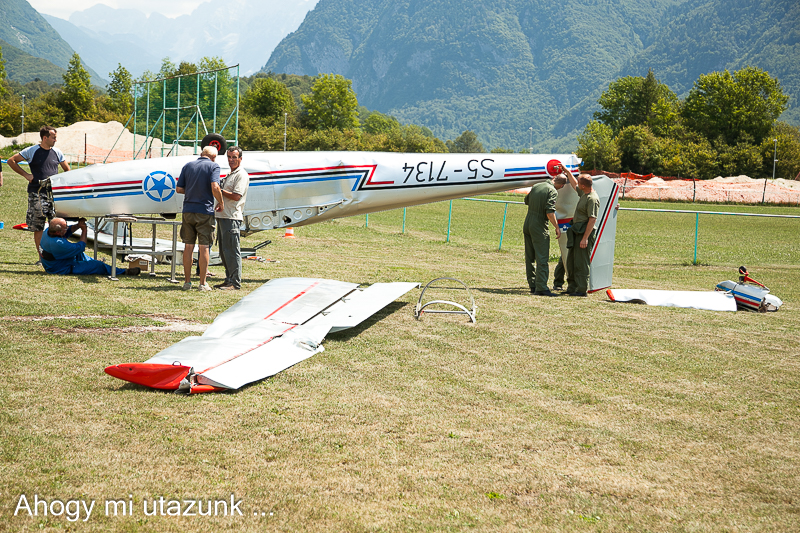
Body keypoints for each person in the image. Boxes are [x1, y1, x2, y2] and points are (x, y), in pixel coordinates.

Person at [7, 126, 70, 264]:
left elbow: (67, 169)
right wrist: (26, 175)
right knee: (38, 226)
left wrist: (62, 184)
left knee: (58, 225)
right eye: (53, 137)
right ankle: (41, 258)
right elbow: (11, 161)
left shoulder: (57, 152)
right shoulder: (32, 150)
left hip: (54, 195)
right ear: (45, 137)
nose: (55, 139)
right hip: (36, 194)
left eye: (56, 137)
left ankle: (59, 256)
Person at [176, 146, 224, 291]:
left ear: (201, 154)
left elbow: (179, 189)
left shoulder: (188, 166)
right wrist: (221, 202)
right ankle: (202, 283)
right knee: (204, 246)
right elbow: (215, 186)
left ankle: (187, 282)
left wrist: (192, 191)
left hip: (188, 211)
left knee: (188, 246)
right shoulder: (213, 166)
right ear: (213, 157)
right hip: (205, 211)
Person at [40, 217, 140, 276]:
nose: (67, 228)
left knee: (80, 255)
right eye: (65, 228)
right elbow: (81, 246)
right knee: (97, 265)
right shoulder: (58, 243)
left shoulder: (47, 232)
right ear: (58, 232)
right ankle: (123, 272)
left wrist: (77, 225)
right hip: (60, 268)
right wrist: (84, 229)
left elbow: (67, 232)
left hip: (55, 261)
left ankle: (92, 262)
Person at [214, 146, 249, 291]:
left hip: (231, 216)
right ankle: (228, 280)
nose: (231, 160)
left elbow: (236, 196)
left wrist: (219, 190)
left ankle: (235, 282)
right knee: (224, 250)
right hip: (223, 216)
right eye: (229, 157)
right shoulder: (231, 174)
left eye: (234, 157)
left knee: (232, 251)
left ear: (240, 158)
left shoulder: (241, 175)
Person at [523, 174, 561, 296]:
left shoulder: (537, 185)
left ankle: (532, 284)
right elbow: (550, 212)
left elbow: (526, 200)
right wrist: (557, 227)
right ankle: (541, 287)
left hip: (528, 222)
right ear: (560, 185)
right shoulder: (552, 191)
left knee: (530, 257)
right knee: (542, 257)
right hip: (539, 225)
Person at [564, 172, 600, 297]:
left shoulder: (592, 198)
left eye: (579, 183)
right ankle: (572, 287)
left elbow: (592, 219)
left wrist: (585, 238)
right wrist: (567, 172)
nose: (577, 184)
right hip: (576, 231)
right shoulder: (584, 194)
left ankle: (581, 289)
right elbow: (574, 184)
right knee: (571, 261)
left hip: (584, 233)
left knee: (581, 262)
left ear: (583, 186)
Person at [551, 167, 576, 291]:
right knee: (566, 255)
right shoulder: (578, 188)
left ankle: (559, 281)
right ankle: (561, 282)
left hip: (573, 225)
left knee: (565, 256)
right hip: (570, 225)